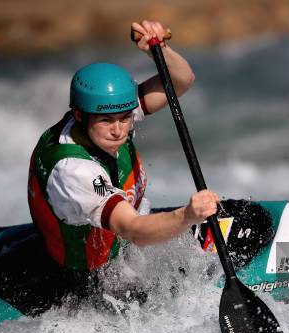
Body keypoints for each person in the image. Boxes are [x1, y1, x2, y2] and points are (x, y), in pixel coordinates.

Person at [27, 20, 219, 283]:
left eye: (125, 118)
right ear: (79, 116)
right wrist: (186, 216)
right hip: (91, 280)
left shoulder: (109, 113)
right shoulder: (74, 172)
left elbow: (181, 81)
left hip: (127, 245)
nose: (118, 130)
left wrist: (158, 50)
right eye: (106, 121)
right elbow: (133, 230)